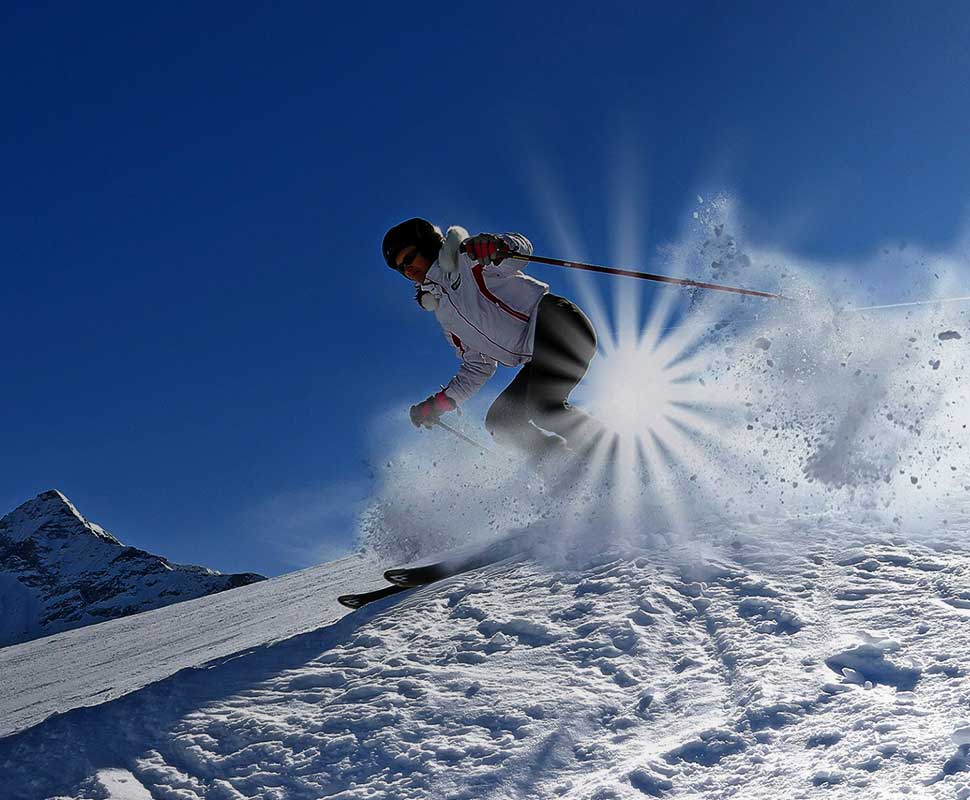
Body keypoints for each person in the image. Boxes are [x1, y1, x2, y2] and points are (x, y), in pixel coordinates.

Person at [382, 217, 604, 462]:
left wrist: (497, 245)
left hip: (559, 323)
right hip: (538, 356)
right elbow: (478, 365)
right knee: (502, 422)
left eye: (409, 258)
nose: (408, 270)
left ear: (427, 245)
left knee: (543, 406)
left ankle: (611, 453)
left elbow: (521, 251)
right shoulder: (445, 314)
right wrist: (438, 405)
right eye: (401, 268)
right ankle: (564, 471)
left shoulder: (467, 259)